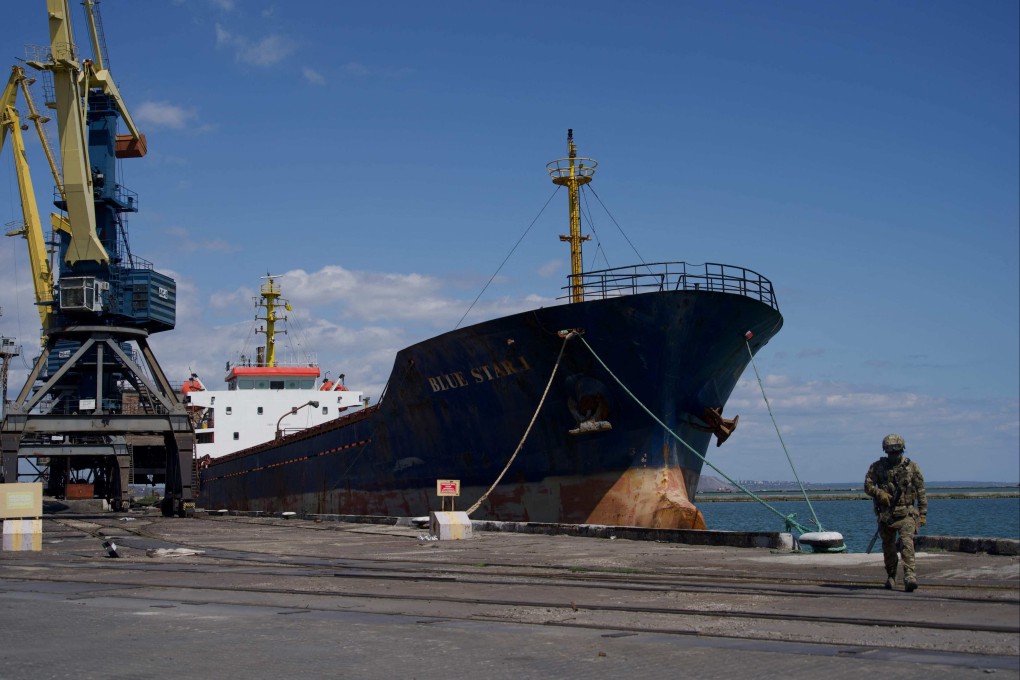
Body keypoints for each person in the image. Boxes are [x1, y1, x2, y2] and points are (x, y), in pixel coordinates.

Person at [865, 434, 927, 592]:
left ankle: (910, 577)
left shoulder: (912, 468)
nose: (894, 455)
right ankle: (892, 575)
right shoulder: (877, 467)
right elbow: (868, 486)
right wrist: (880, 494)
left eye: (897, 452)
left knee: (907, 545)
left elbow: (921, 491)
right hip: (887, 515)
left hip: (906, 513)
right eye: (891, 452)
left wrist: (923, 513)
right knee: (888, 548)